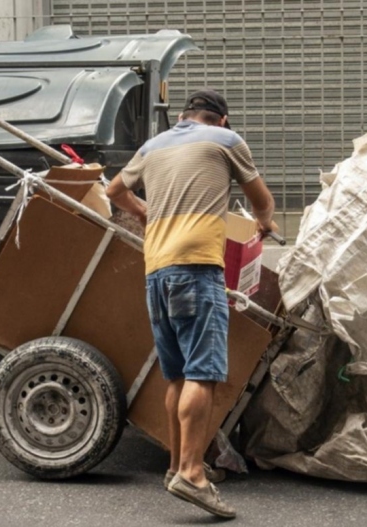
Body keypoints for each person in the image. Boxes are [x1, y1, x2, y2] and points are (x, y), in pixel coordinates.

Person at [105, 89, 277, 519]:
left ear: (183, 116)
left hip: (157, 270)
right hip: (197, 268)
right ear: (221, 120)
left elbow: (113, 190)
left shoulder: (153, 145)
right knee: (203, 373)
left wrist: (144, 212)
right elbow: (261, 200)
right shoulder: (226, 141)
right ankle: (193, 473)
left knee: (178, 375)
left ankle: (175, 466)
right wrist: (264, 223)